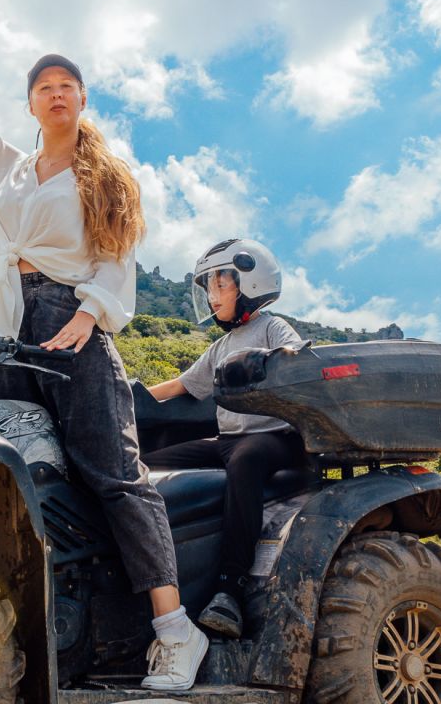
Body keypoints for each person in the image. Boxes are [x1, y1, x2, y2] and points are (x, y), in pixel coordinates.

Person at [0, 0, 207, 691]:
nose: (55, 94)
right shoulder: (10, 168)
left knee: (115, 473)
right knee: (24, 473)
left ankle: (176, 630)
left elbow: (116, 261)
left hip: (69, 318)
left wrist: (87, 317)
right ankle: (47, 628)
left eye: (66, 85)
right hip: (7, 330)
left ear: (82, 100)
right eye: (44, 87)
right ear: (31, 104)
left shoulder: (103, 178)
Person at [143, 238, 306, 639]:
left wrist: (263, 361)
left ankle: (230, 588)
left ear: (250, 284)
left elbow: (295, 357)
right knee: (149, 460)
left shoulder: (271, 326)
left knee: (246, 460)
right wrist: (125, 396)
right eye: (208, 289)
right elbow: (181, 385)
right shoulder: (220, 347)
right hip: (229, 439)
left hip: (272, 436)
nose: (212, 297)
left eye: (220, 285)